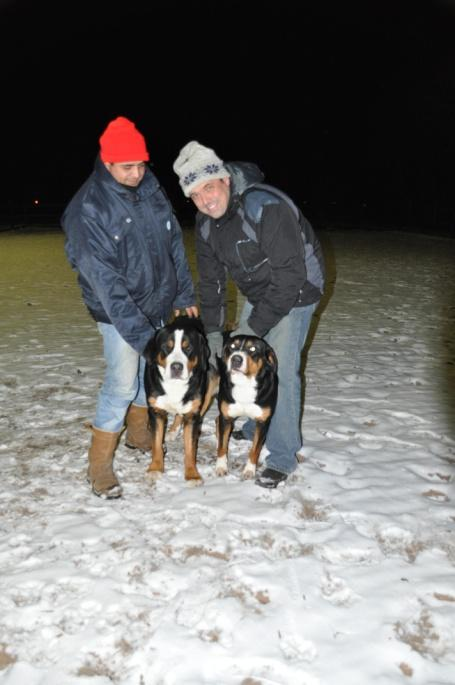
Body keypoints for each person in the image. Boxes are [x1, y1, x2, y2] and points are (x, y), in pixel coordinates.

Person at [173, 141, 325, 488]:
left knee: (279, 368)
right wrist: (212, 335)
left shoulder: (264, 206)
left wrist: (253, 329)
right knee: (235, 360)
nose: (205, 200)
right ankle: (252, 423)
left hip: (299, 289)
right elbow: (211, 284)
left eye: (208, 188)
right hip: (261, 292)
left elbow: (290, 277)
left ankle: (283, 456)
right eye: (195, 195)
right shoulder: (207, 224)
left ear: (224, 180)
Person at [62, 117, 198, 499]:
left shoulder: (150, 186)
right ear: (107, 163)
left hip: (157, 302)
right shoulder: (87, 210)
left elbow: (173, 242)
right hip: (117, 311)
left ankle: (139, 435)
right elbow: (107, 286)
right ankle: (100, 466)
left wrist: (182, 293)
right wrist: (143, 337)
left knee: (145, 374)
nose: (138, 173)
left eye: (142, 164)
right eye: (128, 167)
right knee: (123, 382)